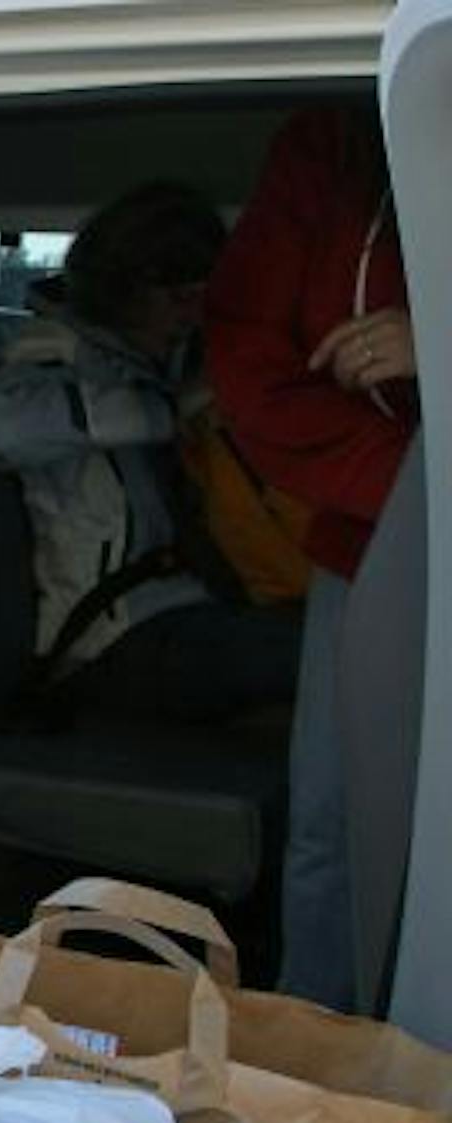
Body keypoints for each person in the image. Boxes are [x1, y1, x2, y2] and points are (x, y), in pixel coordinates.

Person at [206, 107, 421, 1011]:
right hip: (369, 540)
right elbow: (252, 372)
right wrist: (419, 486)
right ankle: (315, 1060)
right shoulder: (329, 147)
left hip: (379, 509)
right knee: (330, 828)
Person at [0, 182, 301, 724]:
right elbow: (12, 430)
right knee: (322, 653)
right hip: (107, 641)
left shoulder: (162, 360)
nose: (191, 317)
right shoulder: (47, 357)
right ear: (123, 289)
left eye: (203, 298)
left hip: (192, 607)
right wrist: (170, 411)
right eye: (178, 299)